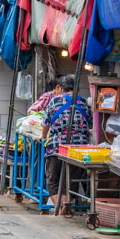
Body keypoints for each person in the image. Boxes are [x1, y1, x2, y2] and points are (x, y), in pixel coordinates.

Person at [43, 75, 92, 215]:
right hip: (79, 148)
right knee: (72, 181)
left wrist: (42, 137)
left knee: (53, 179)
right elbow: (89, 124)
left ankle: (61, 207)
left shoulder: (55, 101)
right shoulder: (83, 102)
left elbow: (46, 123)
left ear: (61, 88)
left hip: (57, 146)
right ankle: (66, 204)